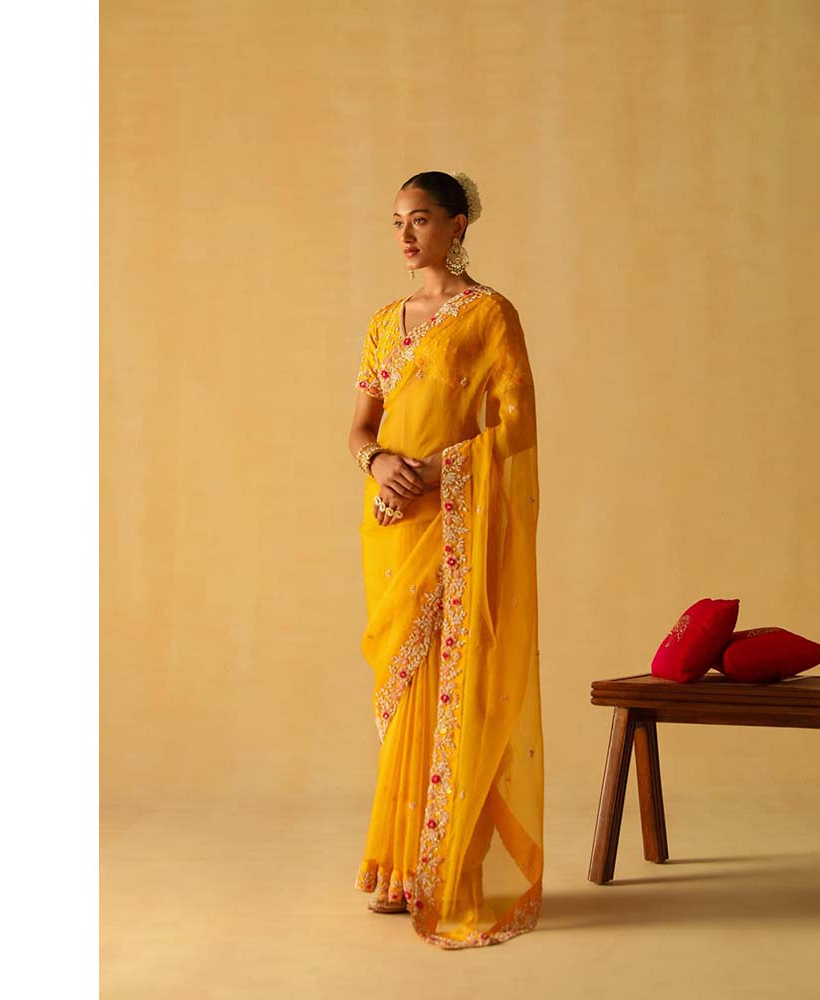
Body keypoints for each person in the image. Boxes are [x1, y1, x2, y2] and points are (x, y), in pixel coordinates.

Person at [347, 171, 544, 948]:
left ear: (456, 224)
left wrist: (438, 471)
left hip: (456, 520)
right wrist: (378, 464)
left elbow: (516, 428)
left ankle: (441, 869)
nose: (405, 235)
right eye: (397, 221)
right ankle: (398, 866)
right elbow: (359, 428)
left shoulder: (490, 315)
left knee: (450, 683)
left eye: (421, 219)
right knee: (403, 689)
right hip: (391, 524)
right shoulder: (381, 323)